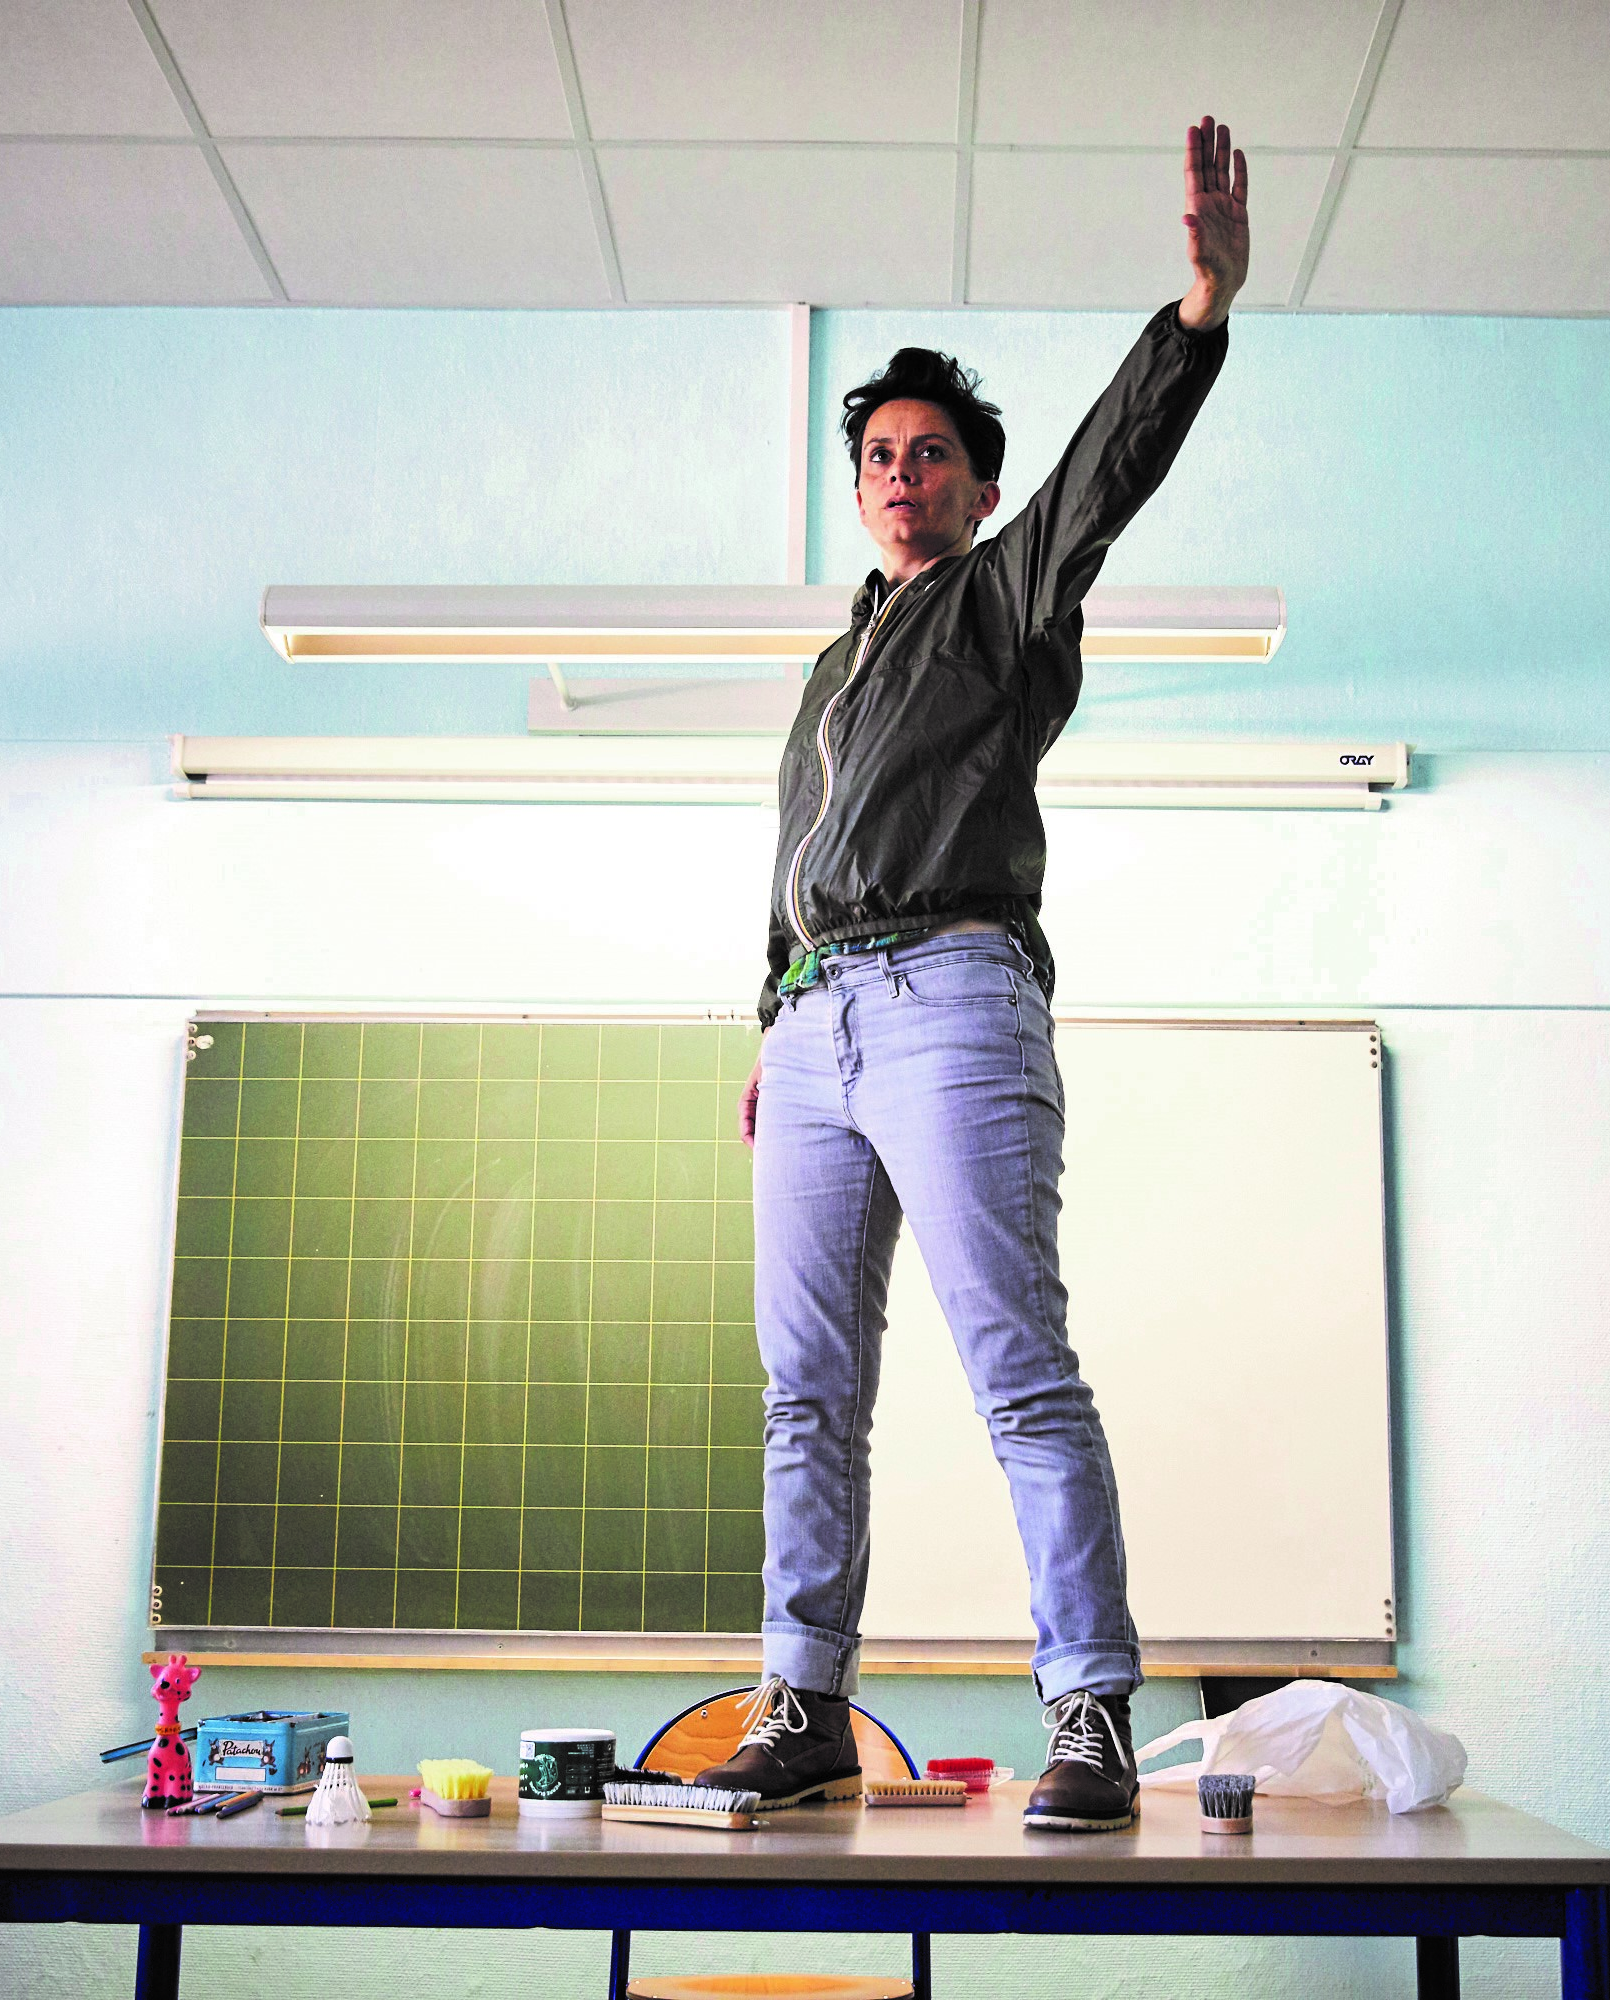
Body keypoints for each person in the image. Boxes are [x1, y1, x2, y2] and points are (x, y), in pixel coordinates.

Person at [699, 118, 1250, 1835]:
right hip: (817, 1030)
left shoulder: (1004, 602)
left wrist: (1202, 304)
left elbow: (1109, 470)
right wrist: (772, 1012)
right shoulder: (831, 666)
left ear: (978, 488)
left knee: (1018, 1370)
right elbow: (797, 853)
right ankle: (802, 1700)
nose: (898, 470)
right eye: (877, 451)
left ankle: (1088, 1713)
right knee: (808, 1390)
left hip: (951, 998)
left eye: (932, 452)